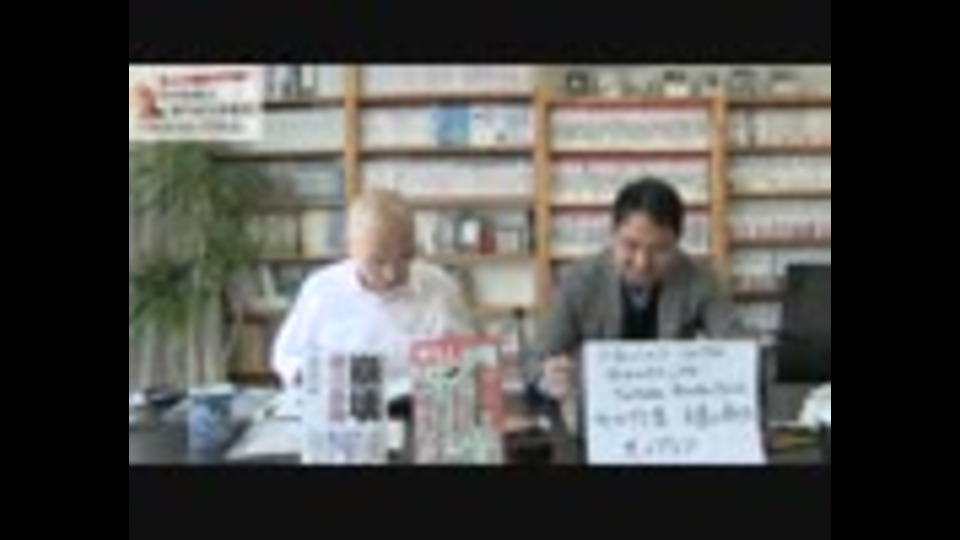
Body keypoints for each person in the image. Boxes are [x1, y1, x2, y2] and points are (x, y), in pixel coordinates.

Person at [535, 178, 745, 402]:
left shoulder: (700, 279)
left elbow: (738, 347)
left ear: (677, 242)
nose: (642, 263)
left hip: (674, 404)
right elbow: (538, 356)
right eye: (630, 245)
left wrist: (725, 369)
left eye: (660, 250)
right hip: (600, 408)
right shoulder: (580, 281)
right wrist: (548, 376)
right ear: (613, 234)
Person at [271, 189, 476, 402]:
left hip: (418, 411)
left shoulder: (440, 287)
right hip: (337, 410)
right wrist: (305, 377)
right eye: (377, 261)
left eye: (405, 256)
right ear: (351, 248)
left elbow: (468, 364)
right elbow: (286, 355)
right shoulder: (320, 289)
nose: (391, 274)